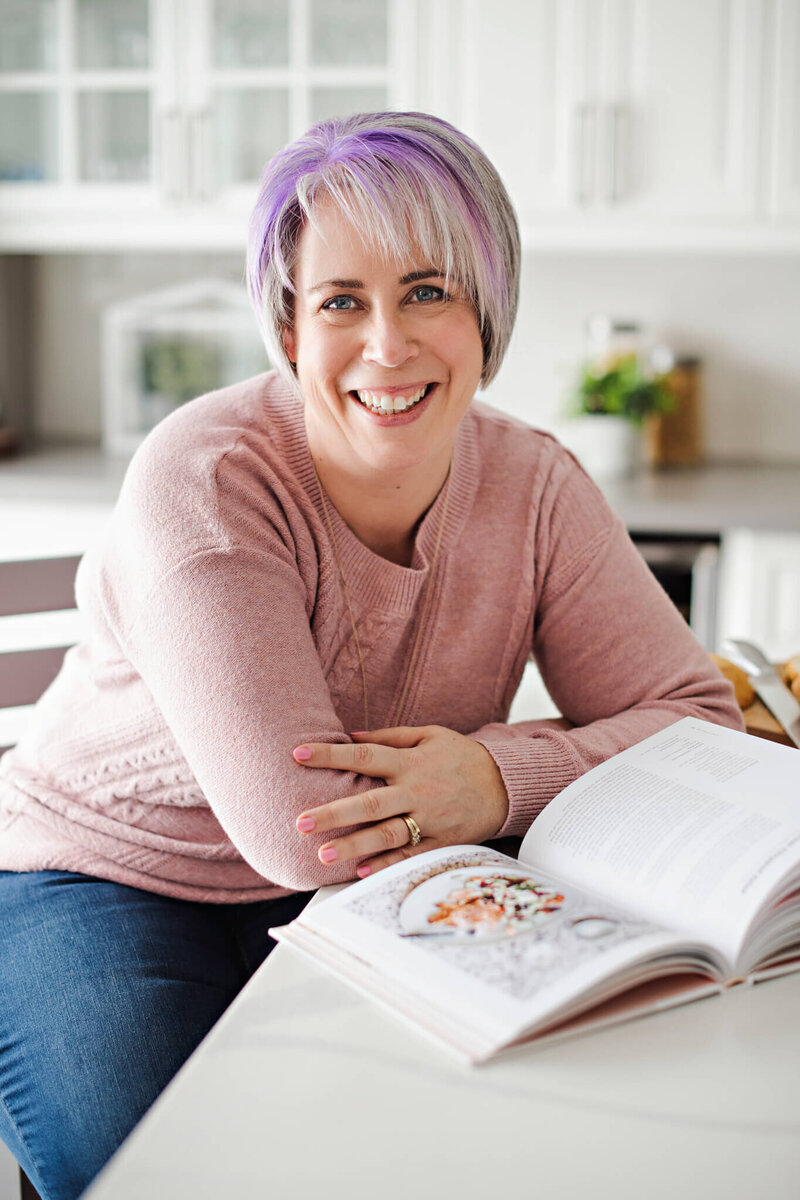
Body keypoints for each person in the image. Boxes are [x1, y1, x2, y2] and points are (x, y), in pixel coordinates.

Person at [0, 111, 742, 1200]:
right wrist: (529, 765)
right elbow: (311, 832)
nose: (386, 346)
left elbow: (699, 722)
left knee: (482, 1148)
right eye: (342, 301)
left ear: (486, 313)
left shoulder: (534, 484)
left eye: (427, 291)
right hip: (106, 876)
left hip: (364, 884)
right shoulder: (205, 482)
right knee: (169, 1179)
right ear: (289, 328)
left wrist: (491, 773)